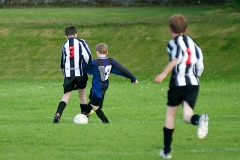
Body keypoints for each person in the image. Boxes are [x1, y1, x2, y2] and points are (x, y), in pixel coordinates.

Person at [154, 14, 209, 159]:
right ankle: (199, 120)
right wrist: (196, 75)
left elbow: (177, 58)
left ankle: (166, 152)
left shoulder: (172, 43)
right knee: (187, 116)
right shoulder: (194, 43)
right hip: (193, 83)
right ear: (186, 28)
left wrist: (164, 74)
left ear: (170, 29)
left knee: (170, 116)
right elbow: (200, 64)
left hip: (178, 83)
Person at [83, 43, 138, 123]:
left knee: (94, 105)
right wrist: (133, 78)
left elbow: (83, 68)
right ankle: (85, 115)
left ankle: (106, 122)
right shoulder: (110, 61)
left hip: (97, 87)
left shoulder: (95, 63)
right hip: (104, 86)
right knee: (92, 100)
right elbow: (122, 69)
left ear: (97, 52)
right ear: (107, 52)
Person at [53, 25, 92, 124]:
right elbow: (88, 56)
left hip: (69, 74)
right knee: (82, 95)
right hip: (80, 73)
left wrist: (64, 72)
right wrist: (89, 67)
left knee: (66, 96)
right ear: (76, 34)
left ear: (65, 36)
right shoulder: (81, 42)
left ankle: (58, 114)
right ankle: (84, 115)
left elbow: (62, 61)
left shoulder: (64, 45)